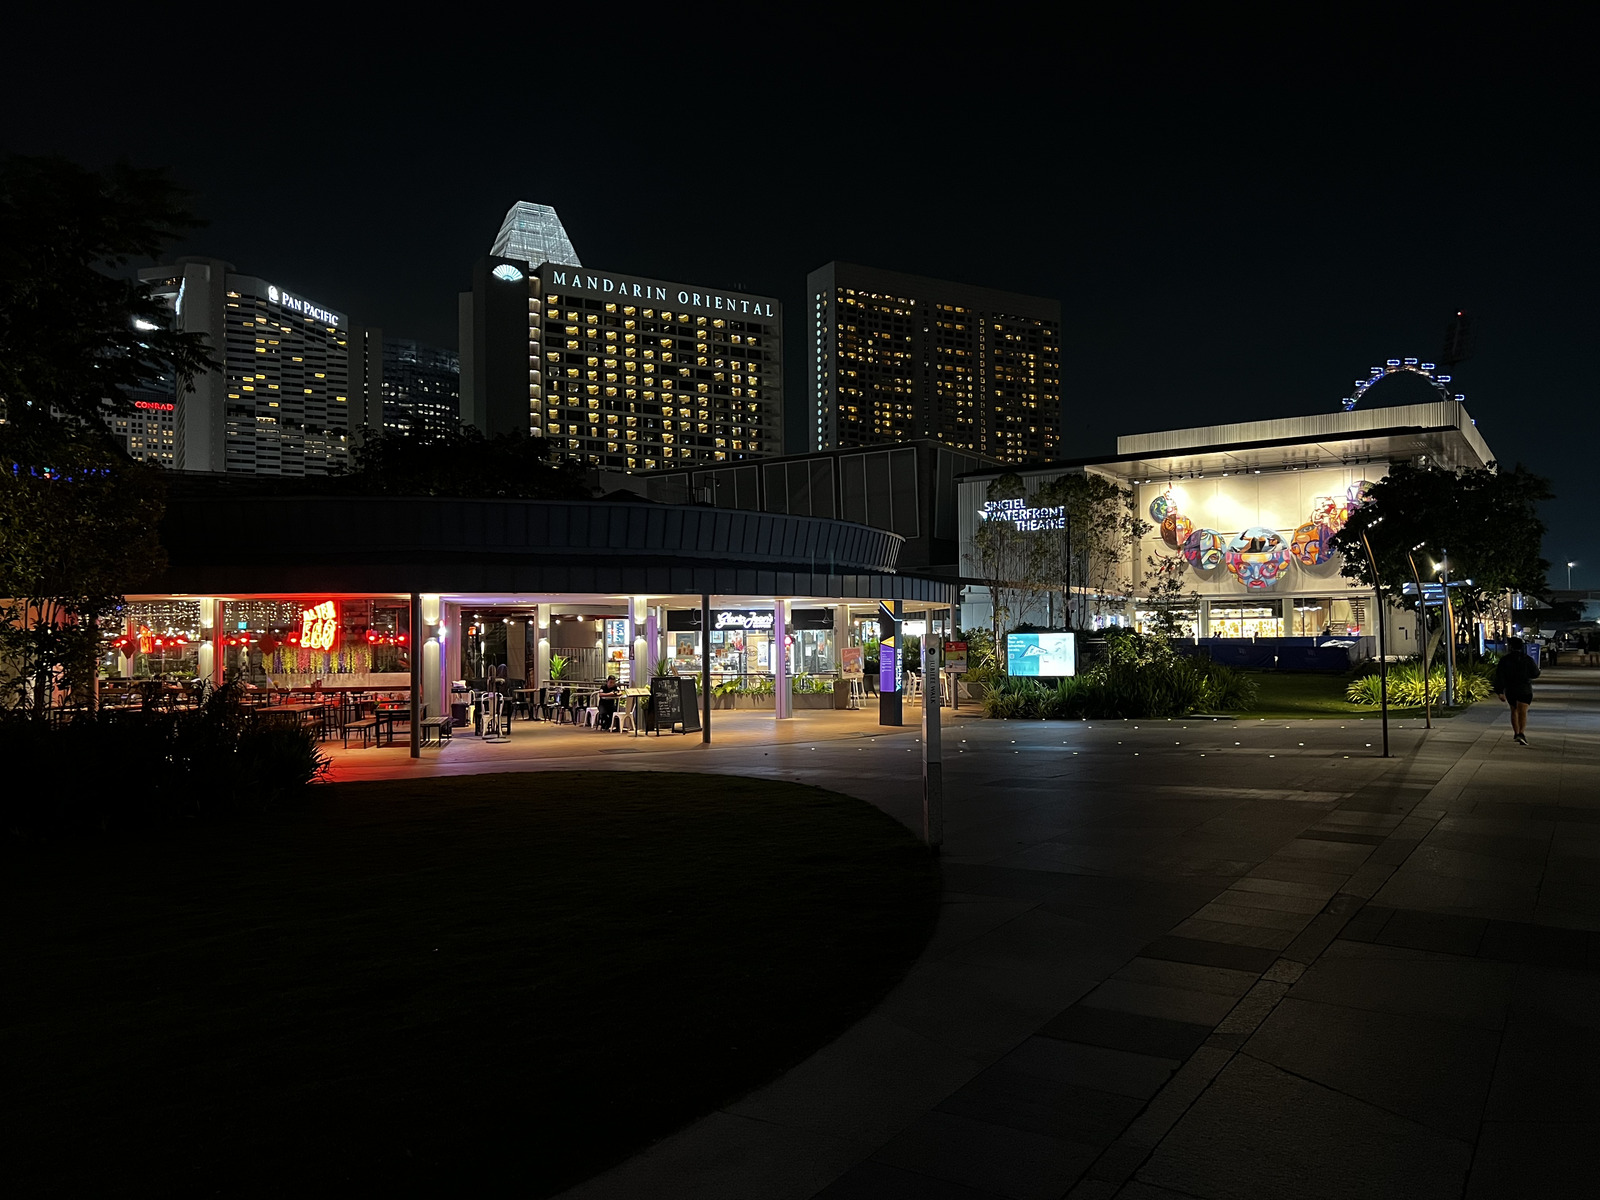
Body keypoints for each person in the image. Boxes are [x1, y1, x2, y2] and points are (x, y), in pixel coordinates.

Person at [1492, 637, 1542, 745]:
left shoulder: (1505, 660)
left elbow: (1500, 676)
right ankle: (1521, 733)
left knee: (1513, 710)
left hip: (1511, 689)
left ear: (1510, 647)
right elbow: (1536, 673)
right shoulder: (1527, 659)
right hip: (1524, 688)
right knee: (1522, 711)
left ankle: (1516, 732)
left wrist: (1499, 691)